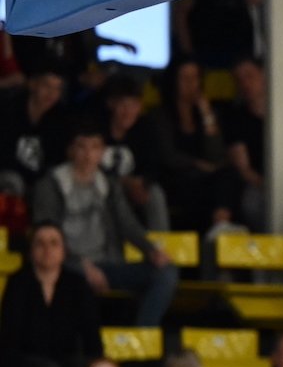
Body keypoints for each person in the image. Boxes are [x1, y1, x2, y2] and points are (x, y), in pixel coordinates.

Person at [32, 127, 178, 326]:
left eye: (95, 148)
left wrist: (151, 250)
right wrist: (81, 265)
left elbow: (128, 224)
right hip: (66, 264)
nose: (88, 154)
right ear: (71, 150)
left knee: (166, 272)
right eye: (81, 147)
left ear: (102, 152)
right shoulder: (50, 185)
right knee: (67, 274)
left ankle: (144, 336)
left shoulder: (108, 185)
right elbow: (46, 235)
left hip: (107, 263)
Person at [1, 223, 102, 367]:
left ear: (64, 250)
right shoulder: (18, 283)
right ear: (31, 251)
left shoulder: (77, 284)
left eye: (54, 243)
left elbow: (91, 336)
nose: (47, 249)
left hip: (66, 366)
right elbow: (7, 340)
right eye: (40, 243)